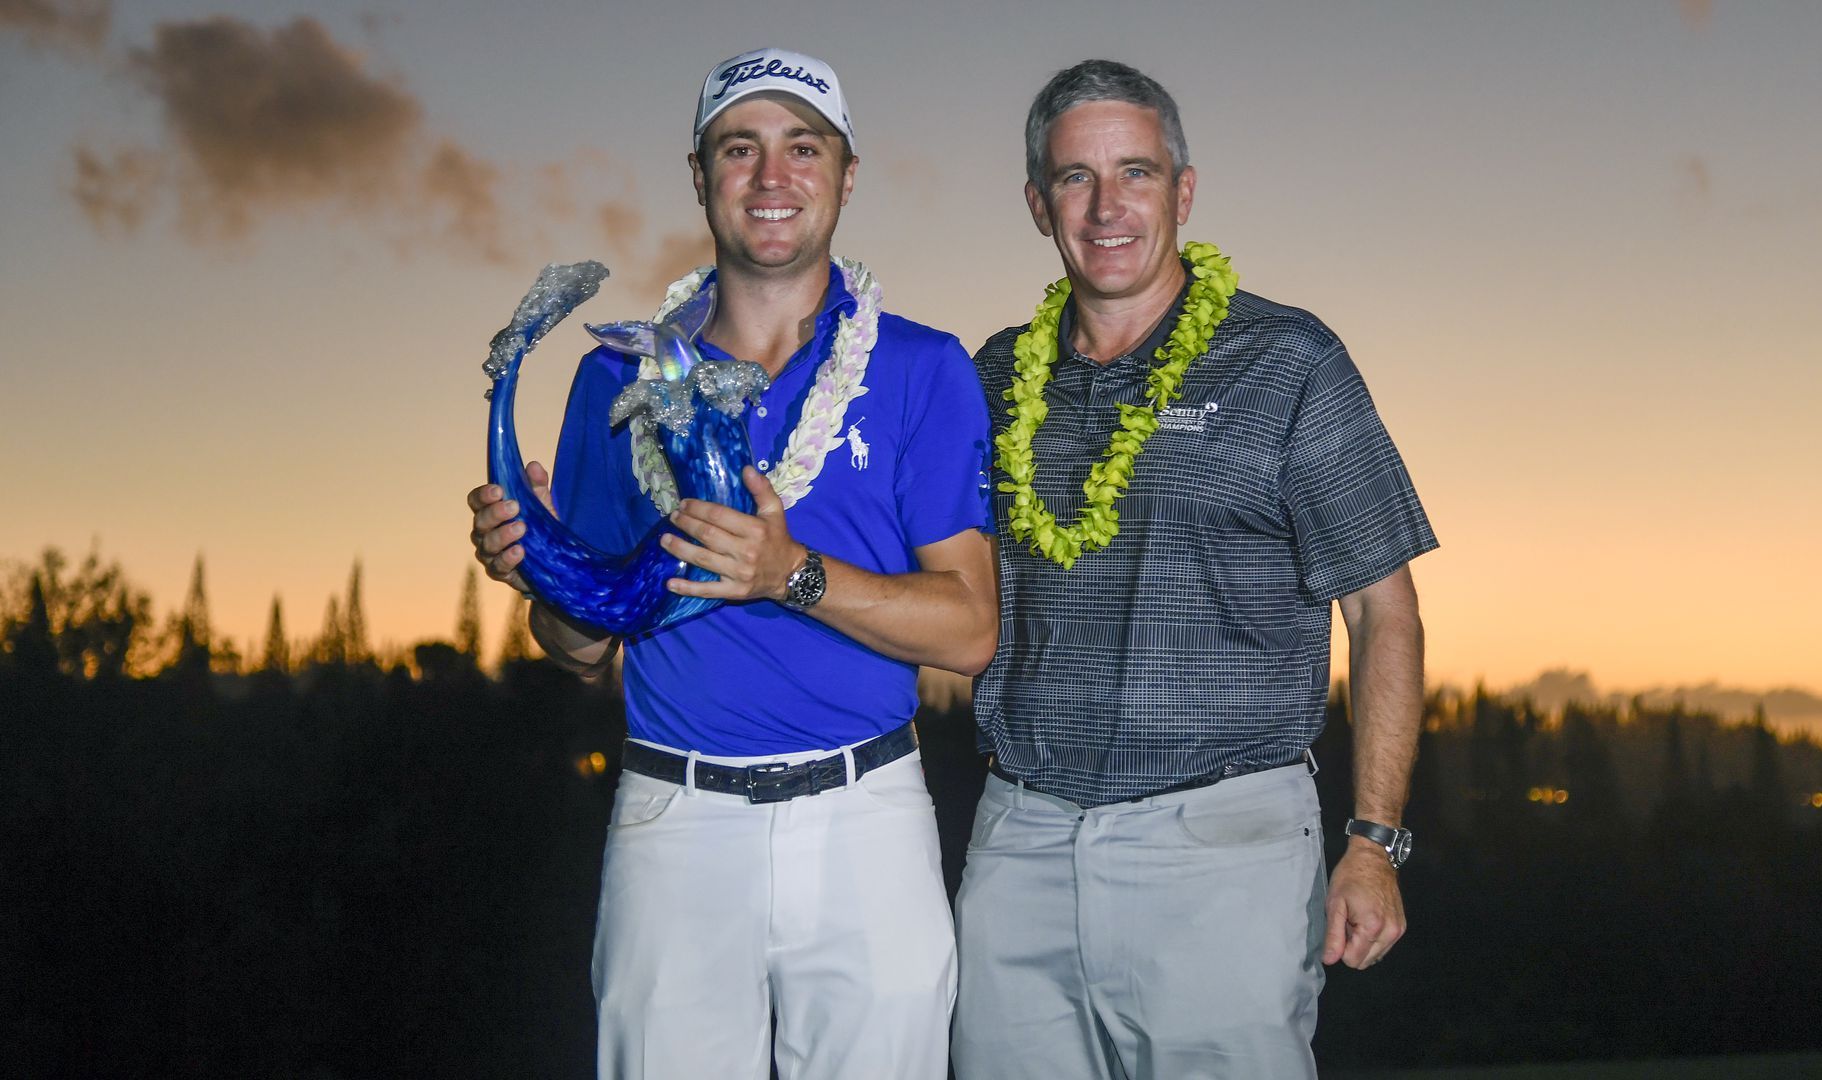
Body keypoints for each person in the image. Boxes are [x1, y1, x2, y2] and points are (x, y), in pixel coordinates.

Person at [465, 47, 997, 1080]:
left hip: (867, 823)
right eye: (738, 149)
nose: (771, 177)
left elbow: (973, 630)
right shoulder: (615, 374)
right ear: (700, 177)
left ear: (848, 177)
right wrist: (537, 568)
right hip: (675, 824)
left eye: (804, 148)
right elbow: (578, 649)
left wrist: (789, 572)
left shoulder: (922, 365)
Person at [954, 59, 1437, 1080]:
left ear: (1183, 190)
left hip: (1222, 848)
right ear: (1039, 204)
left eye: (1136, 171)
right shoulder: (996, 375)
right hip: (1019, 844)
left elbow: (1386, 616)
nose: (1108, 204)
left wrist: (1374, 841)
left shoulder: (1289, 361)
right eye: (1075, 178)